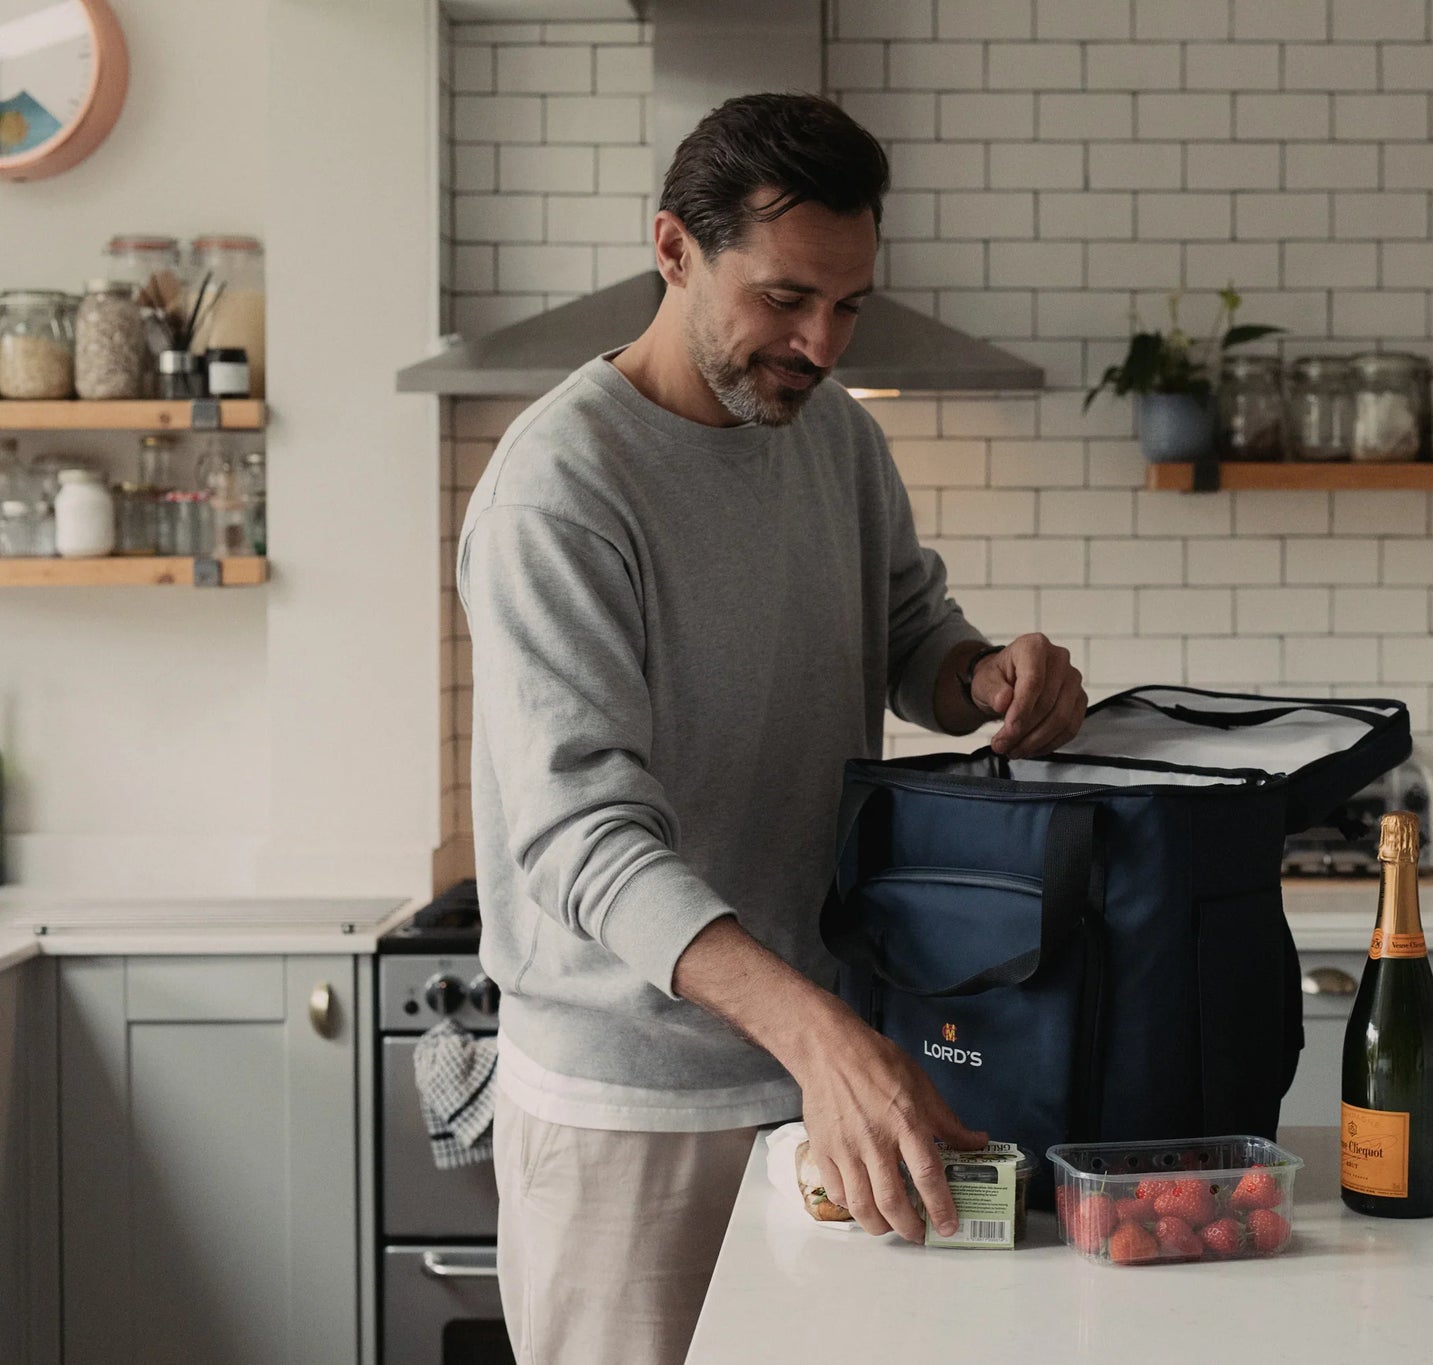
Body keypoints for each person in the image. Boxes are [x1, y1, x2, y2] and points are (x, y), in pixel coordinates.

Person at [458, 92, 1088, 1362]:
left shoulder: (834, 439)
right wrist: (824, 1038)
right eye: (786, 297)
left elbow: (908, 631)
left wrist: (982, 677)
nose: (820, 342)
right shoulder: (560, 489)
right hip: (630, 1110)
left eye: (848, 306)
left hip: (817, 1081)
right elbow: (584, 842)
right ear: (674, 249)